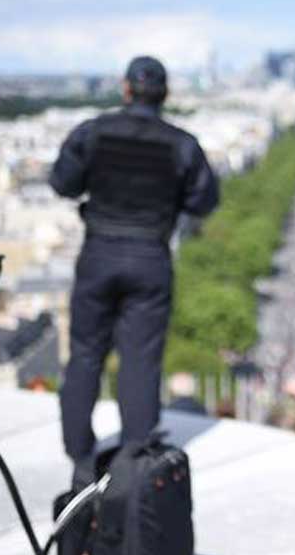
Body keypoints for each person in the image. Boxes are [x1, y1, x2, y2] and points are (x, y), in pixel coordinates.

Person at [50, 55, 219, 487]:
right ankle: (134, 454)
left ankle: (79, 452)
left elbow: (63, 183)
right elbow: (204, 201)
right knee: (141, 359)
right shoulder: (181, 144)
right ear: (165, 95)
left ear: (125, 89)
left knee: (85, 353)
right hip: (150, 256)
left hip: (99, 252)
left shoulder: (93, 132)